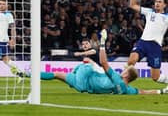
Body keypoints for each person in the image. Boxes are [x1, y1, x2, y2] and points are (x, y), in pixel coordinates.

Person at [40, 29, 168, 95]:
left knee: (82, 67)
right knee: (59, 74)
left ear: (125, 75)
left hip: (84, 78)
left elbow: (104, 62)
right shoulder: (126, 90)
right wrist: (162, 91)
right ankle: (29, 75)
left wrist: (102, 43)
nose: (123, 70)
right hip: (85, 82)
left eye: (125, 70)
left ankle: (30, 75)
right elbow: (143, 92)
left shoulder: (117, 79)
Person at [127, 0, 168, 83]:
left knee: (155, 78)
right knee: (131, 61)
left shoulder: (167, 17)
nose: (157, 3)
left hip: (155, 46)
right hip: (143, 42)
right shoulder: (149, 12)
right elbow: (132, 5)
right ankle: (123, 83)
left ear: (165, 5)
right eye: (156, 1)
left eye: (160, 2)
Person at [0, 0, 24, 81]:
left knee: (6, 59)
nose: (1, 5)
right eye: (0, 4)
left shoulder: (8, 15)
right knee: (5, 60)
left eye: (3, 4)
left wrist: (13, 39)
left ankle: (19, 72)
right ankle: (19, 72)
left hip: (2, 40)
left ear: (7, 5)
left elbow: (12, 28)